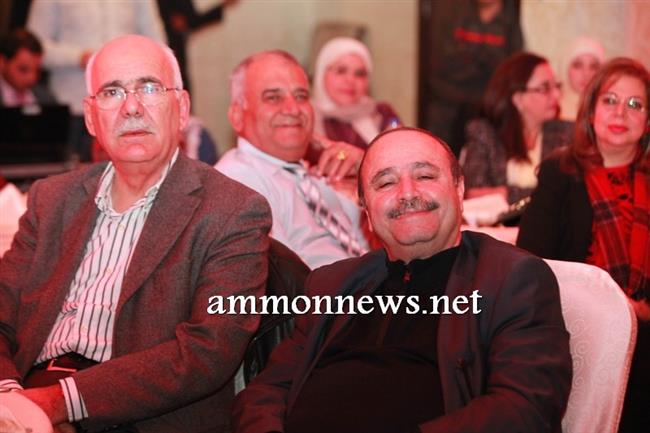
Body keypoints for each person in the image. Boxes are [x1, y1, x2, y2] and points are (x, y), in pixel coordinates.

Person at [0, 34, 271, 433]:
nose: (131, 107)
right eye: (112, 92)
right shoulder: (51, 199)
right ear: (90, 118)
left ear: (182, 108)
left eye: (149, 88)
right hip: (26, 394)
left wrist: (58, 403)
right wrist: (10, 397)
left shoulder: (233, 211)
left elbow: (207, 351)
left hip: (139, 415)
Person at [233, 127, 572, 433]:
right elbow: (265, 392)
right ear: (366, 208)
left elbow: (526, 407)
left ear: (459, 188)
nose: (407, 193)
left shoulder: (510, 279)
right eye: (386, 183)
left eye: (424, 175)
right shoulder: (331, 285)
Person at [517, 57, 649, 433]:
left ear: (647, 121)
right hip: (574, 334)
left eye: (635, 104)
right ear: (590, 111)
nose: (620, 113)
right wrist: (612, 308)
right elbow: (532, 267)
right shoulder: (560, 173)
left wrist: (640, 312)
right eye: (610, 100)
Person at [216, 50, 369, 270]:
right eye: (273, 98)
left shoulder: (311, 174)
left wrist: (368, 170)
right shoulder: (237, 183)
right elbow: (285, 282)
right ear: (237, 116)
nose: (293, 109)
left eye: (301, 96)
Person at [27, 0, 165, 162]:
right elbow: (33, 47)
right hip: (72, 105)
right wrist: (78, 57)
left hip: (128, 105)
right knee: (70, 172)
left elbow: (158, 46)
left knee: (131, 168)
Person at [462, 51, 571, 204]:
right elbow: (474, 194)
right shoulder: (484, 133)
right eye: (544, 88)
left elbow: (568, 193)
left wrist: (505, 193)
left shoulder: (567, 133)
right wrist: (540, 193)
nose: (556, 95)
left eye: (556, 86)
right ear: (518, 99)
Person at [423, 0, 523, 156]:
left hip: (487, 109)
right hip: (448, 104)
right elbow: (444, 61)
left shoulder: (511, 23)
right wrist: (484, 63)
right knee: (436, 154)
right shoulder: (456, 15)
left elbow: (508, 71)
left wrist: (472, 60)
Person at [311, 37, 400, 154]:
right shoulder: (306, 117)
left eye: (359, 74)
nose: (350, 80)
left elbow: (402, 157)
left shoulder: (382, 114)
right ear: (322, 73)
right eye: (341, 71)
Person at [156, 0, 237, 96]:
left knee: (180, 87)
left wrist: (222, 6)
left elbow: (190, 21)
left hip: (176, 52)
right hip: (161, 52)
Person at [0, 28, 56, 107]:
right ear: (2, 62)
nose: (31, 78)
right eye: (23, 69)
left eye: (37, 70)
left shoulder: (46, 99)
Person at [559, 36, 605, 121]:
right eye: (578, 65)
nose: (586, 74)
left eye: (593, 67)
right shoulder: (553, 109)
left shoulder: (608, 108)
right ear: (565, 68)